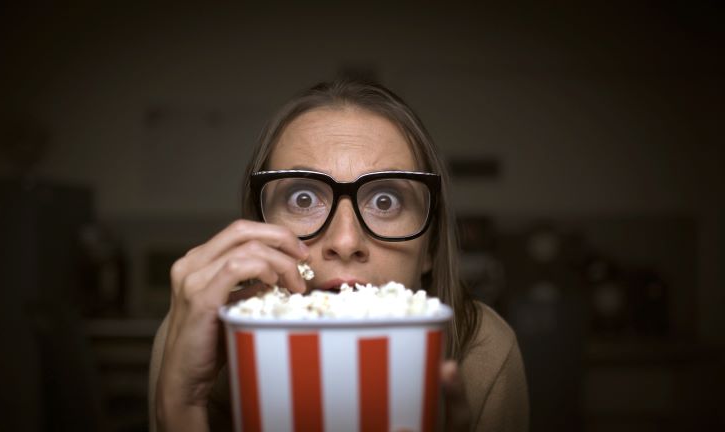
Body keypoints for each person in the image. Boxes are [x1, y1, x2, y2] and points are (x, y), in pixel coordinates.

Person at [148, 79, 529, 431]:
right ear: (257, 232)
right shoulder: (194, 336)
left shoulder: (483, 352)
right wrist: (180, 407)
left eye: (385, 200)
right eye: (303, 198)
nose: (345, 241)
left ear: (429, 248)